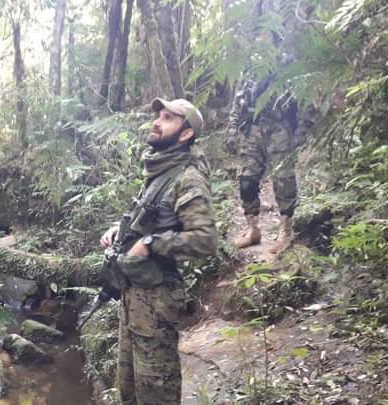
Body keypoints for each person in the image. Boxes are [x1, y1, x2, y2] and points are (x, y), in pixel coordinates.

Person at [99, 98, 217, 405]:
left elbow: (205, 240)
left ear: (185, 134)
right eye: (158, 116)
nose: (157, 121)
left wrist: (151, 245)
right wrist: (120, 231)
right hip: (134, 296)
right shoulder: (161, 168)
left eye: (167, 118)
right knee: (129, 391)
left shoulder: (187, 176)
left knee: (156, 394)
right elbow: (153, 217)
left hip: (157, 298)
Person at [227, 75, 312, 253]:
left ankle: (286, 231)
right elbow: (238, 101)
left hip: (280, 130)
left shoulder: (288, 64)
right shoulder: (251, 69)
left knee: (283, 181)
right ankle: (253, 229)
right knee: (247, 181)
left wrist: (301, 131)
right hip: (252, 131)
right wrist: (232, 130)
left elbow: (306, 99)